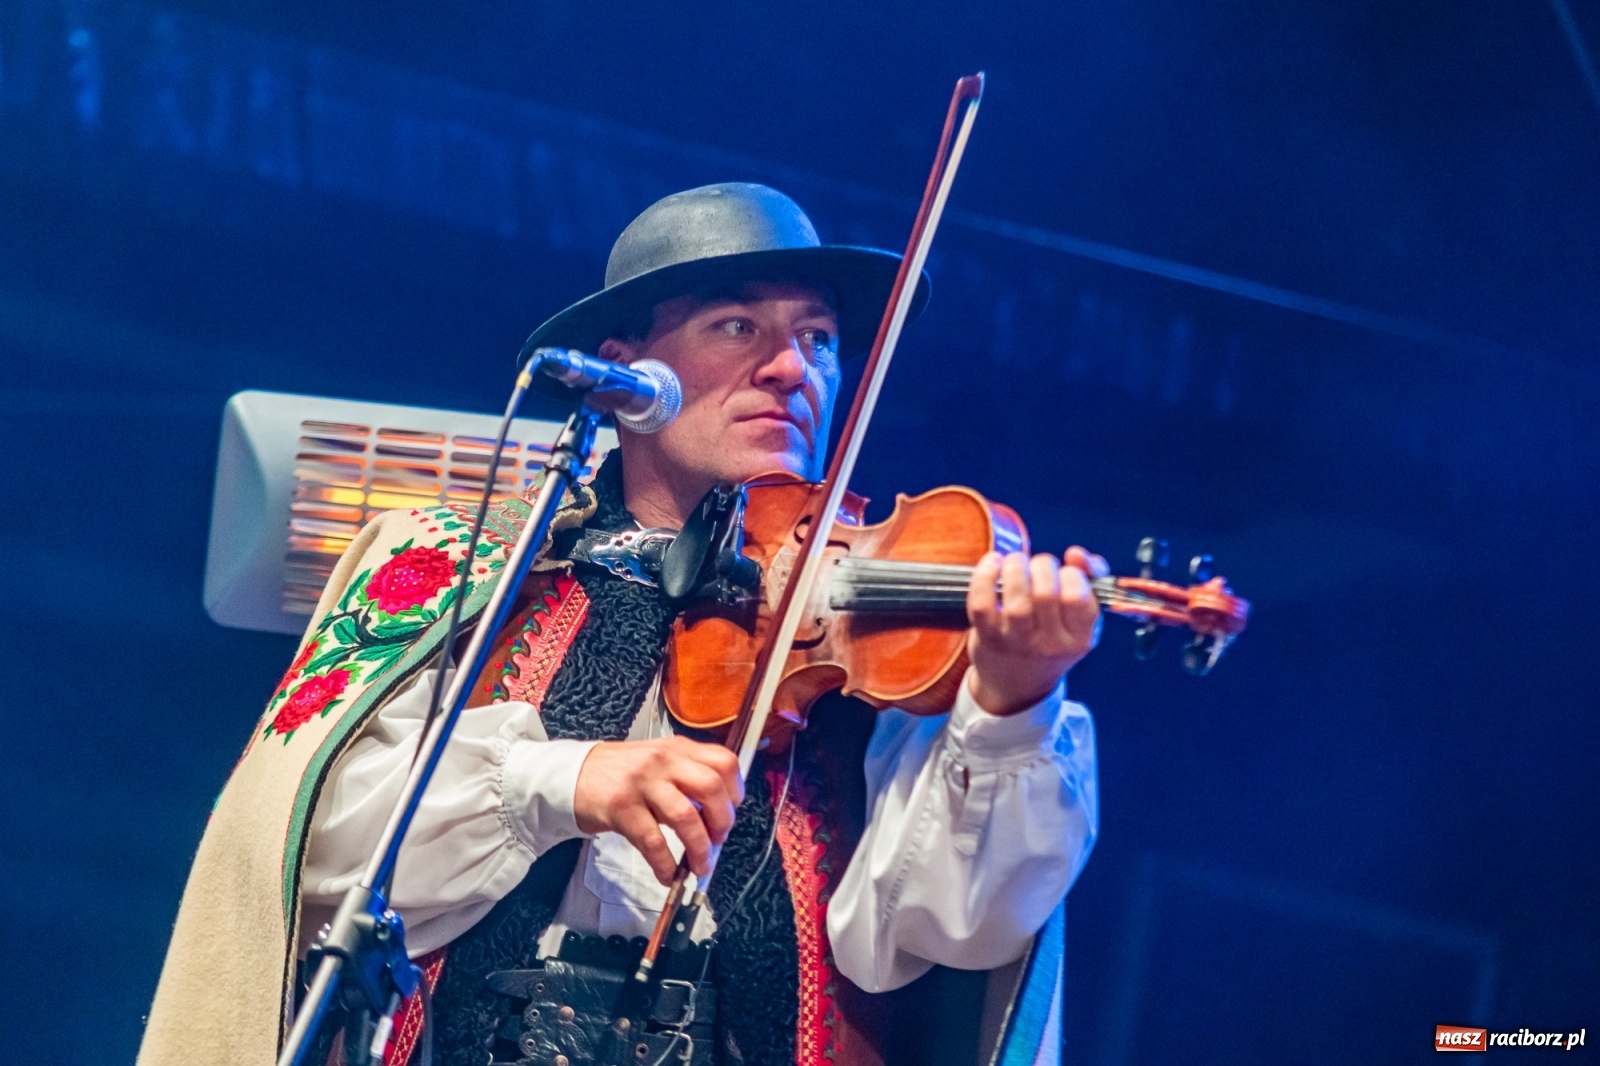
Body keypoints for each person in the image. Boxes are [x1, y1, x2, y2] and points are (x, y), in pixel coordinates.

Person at [137, 183, 1101, 1066]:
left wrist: (1014, 705)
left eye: (819, 340)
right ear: (624, 367)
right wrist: (559, 778)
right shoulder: (467, 558)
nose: (789, 369)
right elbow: (305, 844)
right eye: (738, 326)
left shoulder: (881, 637)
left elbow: (950, 933)